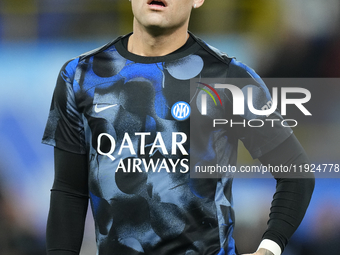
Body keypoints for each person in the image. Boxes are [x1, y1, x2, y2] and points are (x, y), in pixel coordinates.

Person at [42, 0, 315, 255]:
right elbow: (69, 190)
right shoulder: (79, 76)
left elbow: (296, 172)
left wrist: (270, 247)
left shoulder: (230, 79)